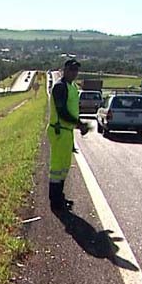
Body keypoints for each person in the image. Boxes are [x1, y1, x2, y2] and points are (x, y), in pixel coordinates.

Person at [47, 59, 88, 210]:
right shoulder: (60, 87)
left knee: (64, 167)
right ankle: (55, 202)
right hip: (59, 131)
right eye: (71, 70)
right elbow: (62, 112)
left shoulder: (72, 86)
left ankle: (60, 197)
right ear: (64, 70)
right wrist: (79, 124)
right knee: (57, 167)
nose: (74, 73)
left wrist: (77, 124)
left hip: (66, 132)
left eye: (76, 70)